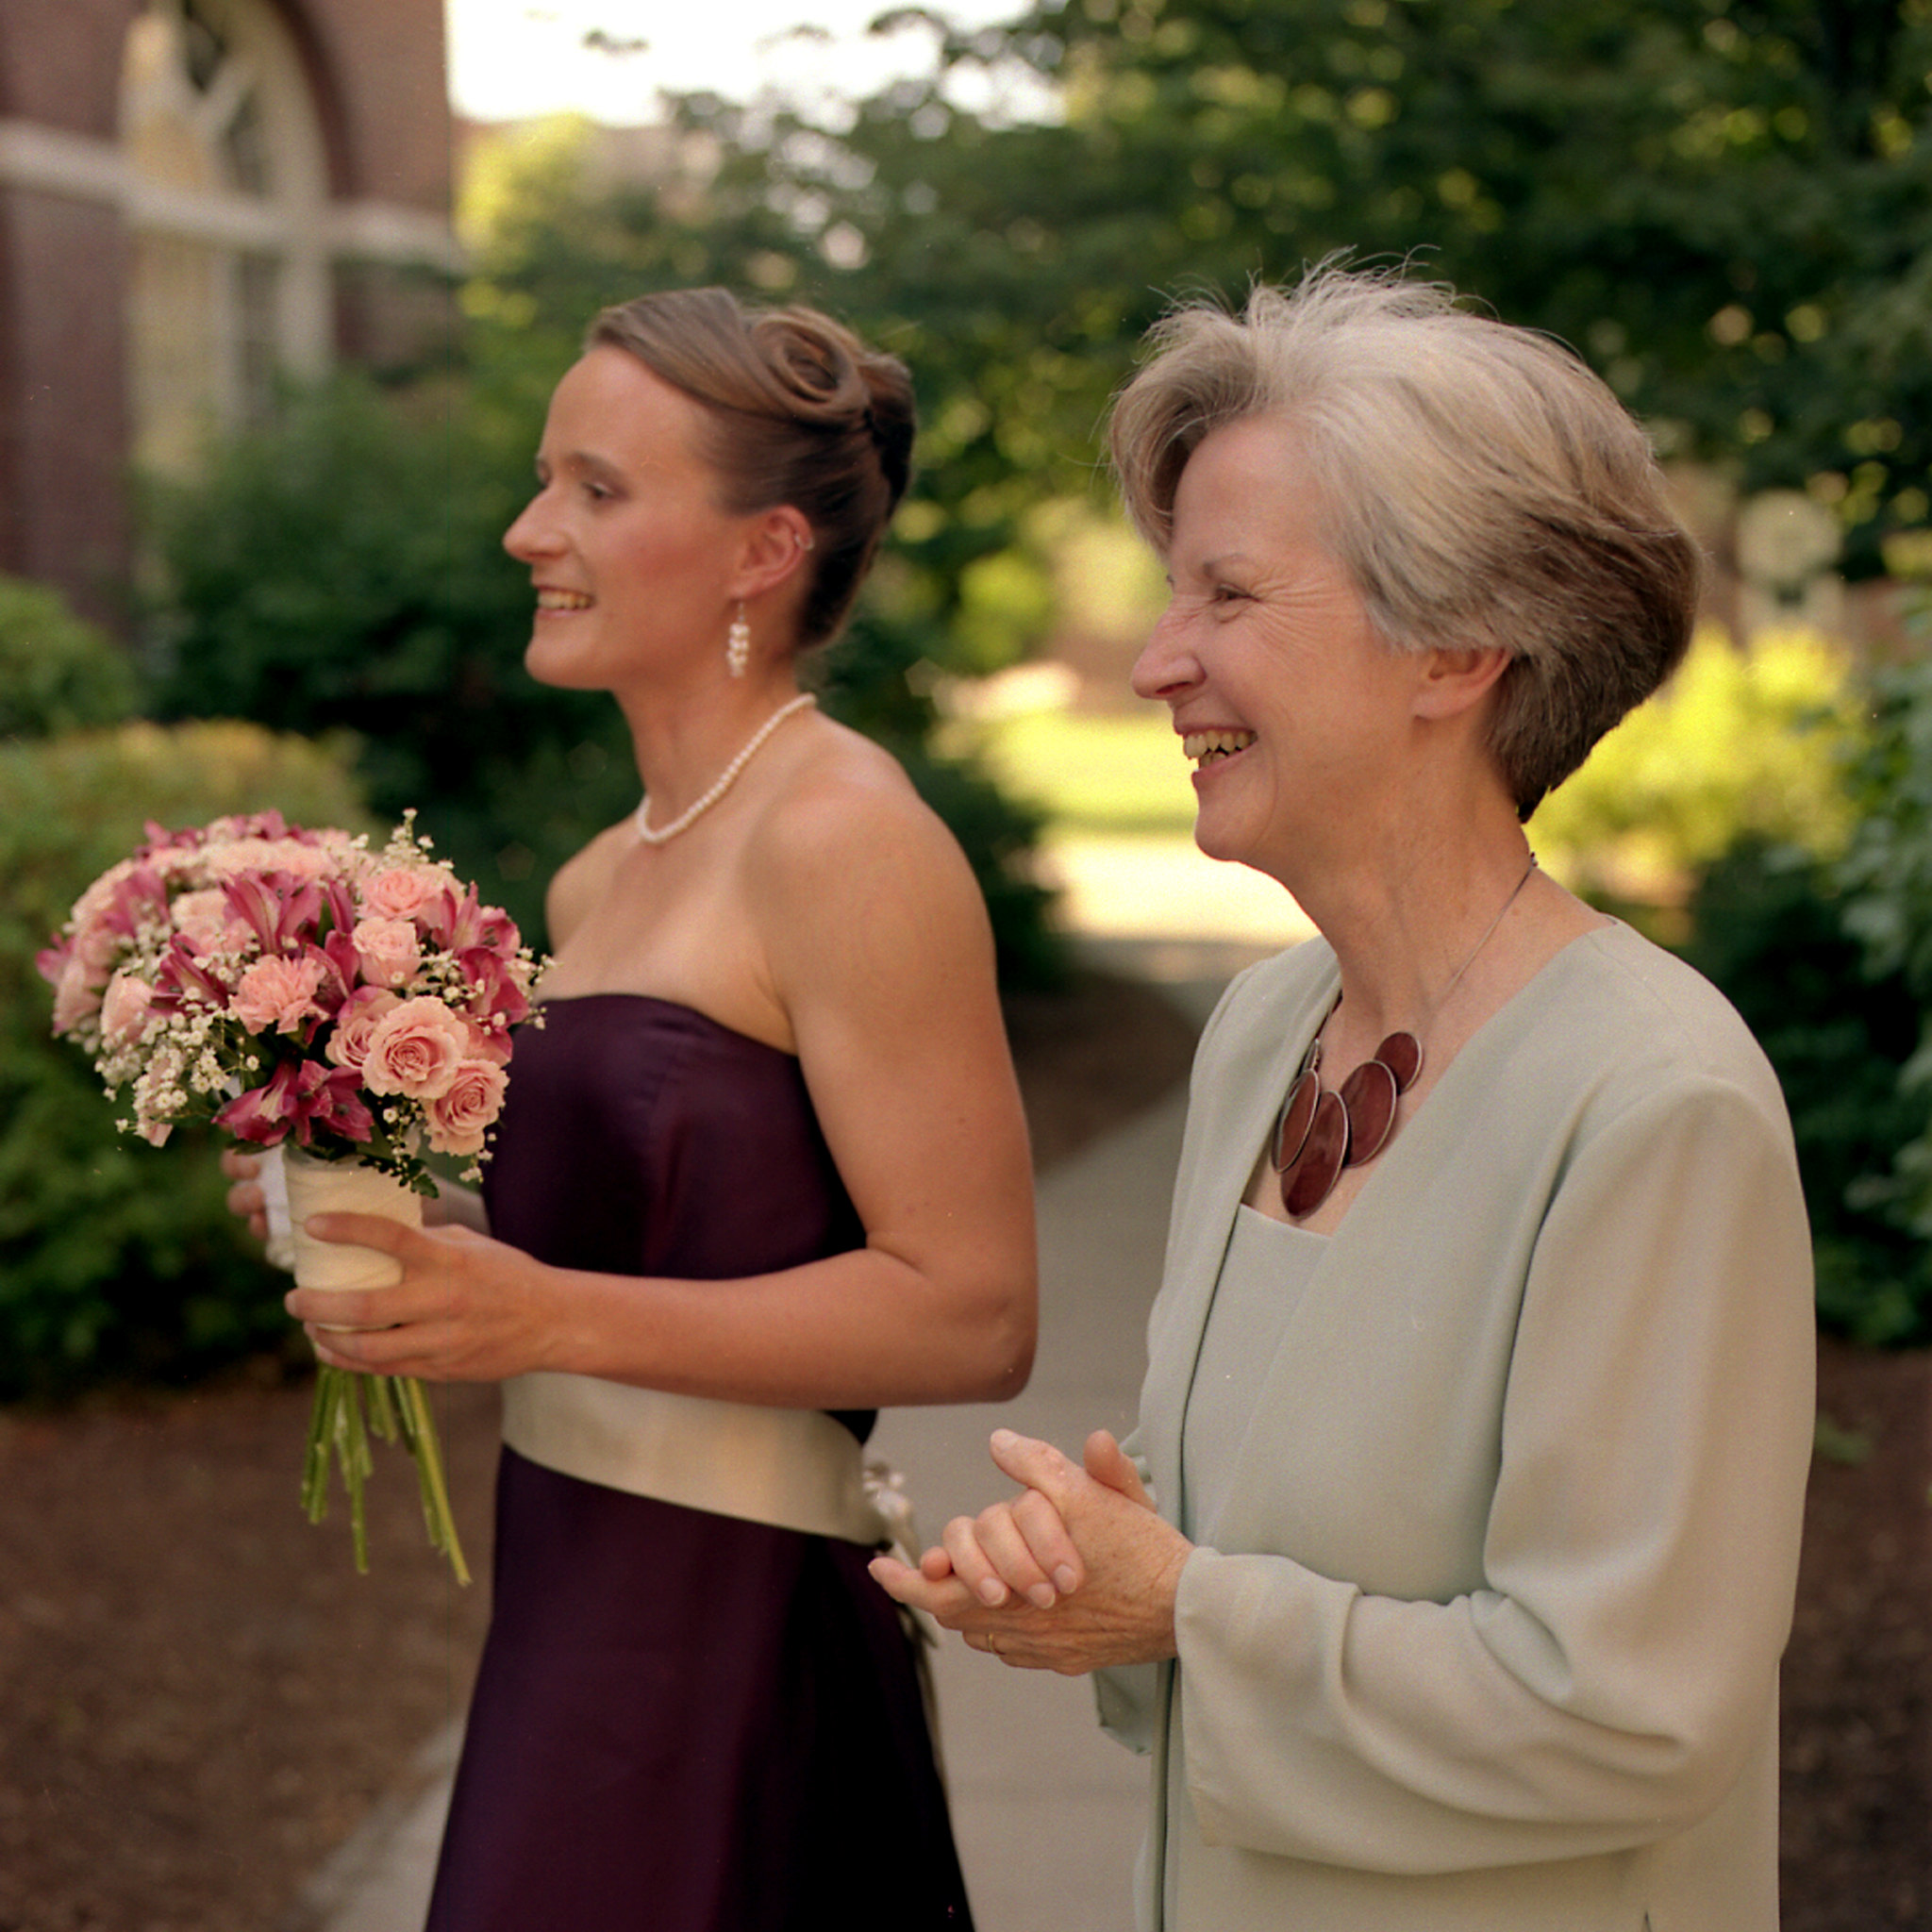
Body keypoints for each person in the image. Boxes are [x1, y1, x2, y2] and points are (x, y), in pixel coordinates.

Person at [872, 264, 1816, 1931]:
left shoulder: (1656, 1103)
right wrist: (1105, 1570)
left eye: (1228, 596)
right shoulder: (1259, 1032)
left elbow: (1627, 1714)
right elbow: (1241, 1571)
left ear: (1452, 646)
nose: (1160, 660)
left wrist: (1184, 1608)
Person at [225, 288, 1037, 1929]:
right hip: (570, 1600)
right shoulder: (606, 872)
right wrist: (404, 1236)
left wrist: (541, 1312)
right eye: (545, 482)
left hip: (735, 1634)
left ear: (762, 553)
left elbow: (973, 1312)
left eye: (597, 489)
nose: (531, 530)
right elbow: (656, 1239)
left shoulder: (846, 839)